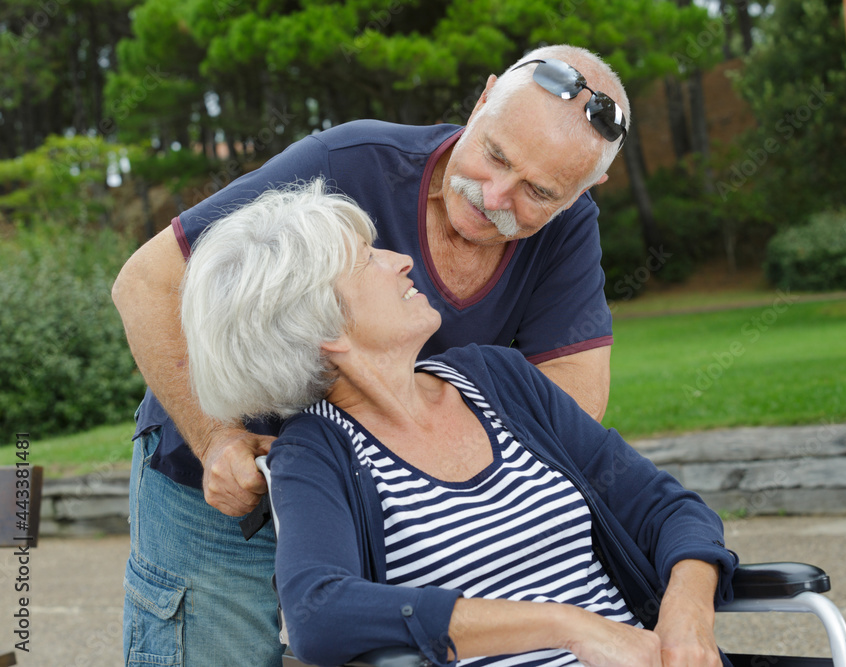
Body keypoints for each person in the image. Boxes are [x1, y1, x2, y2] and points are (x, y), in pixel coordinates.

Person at [114, 45, 633, 665]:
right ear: (482, 100)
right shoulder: (348, 161)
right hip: (224, 480)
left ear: (585, 189)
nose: (496, 196)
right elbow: (146, 283)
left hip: (383, 498)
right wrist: (215, 439)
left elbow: (572, 395)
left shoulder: (567, 229)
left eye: (539, 192)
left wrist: (457, 478)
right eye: (495, 155)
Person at [181, 180, 738, 667]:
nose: (401, 260)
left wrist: (686, 614)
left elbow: (669, 509)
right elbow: (317, 612)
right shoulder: (316, 453)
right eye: (367, 259)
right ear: (322, 325)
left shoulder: (498, 380)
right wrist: (566, 626)